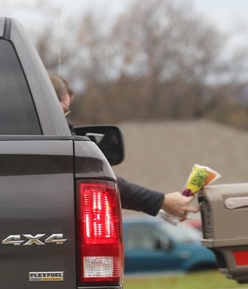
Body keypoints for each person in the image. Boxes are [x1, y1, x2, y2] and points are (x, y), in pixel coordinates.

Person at [50, 74, 197, 221]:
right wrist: (161, 201)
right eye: (64, 111)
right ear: (50, 101)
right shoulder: (54, 137)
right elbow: (94, 179)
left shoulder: (45, 138)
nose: (65, 119)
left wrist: (160, 202)